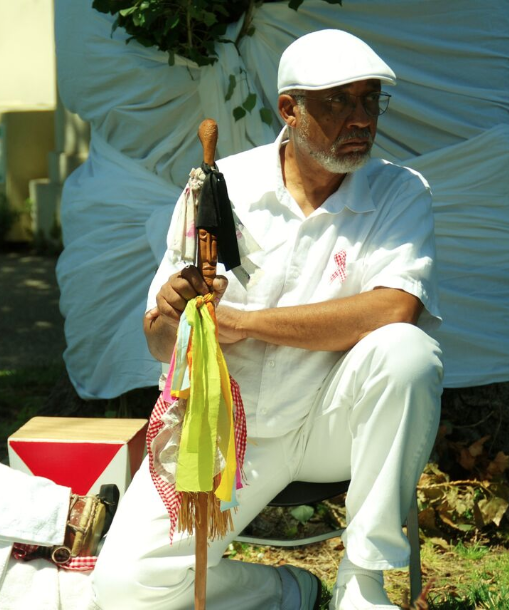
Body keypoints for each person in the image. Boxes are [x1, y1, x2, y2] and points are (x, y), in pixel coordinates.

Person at [91, 30, 442, 610]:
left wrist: (250, 323)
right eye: (338, 102)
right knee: (124, 591)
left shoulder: (400, 192)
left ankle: (362, 582)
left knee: (407, 351)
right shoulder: (222, 188)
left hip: (332, 422)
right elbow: (157, 341)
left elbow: (393, 307)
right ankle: (288, 593)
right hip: (229, 428)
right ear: (290, 110)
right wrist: (175, 314)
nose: (360, 119)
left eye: (369, 100)